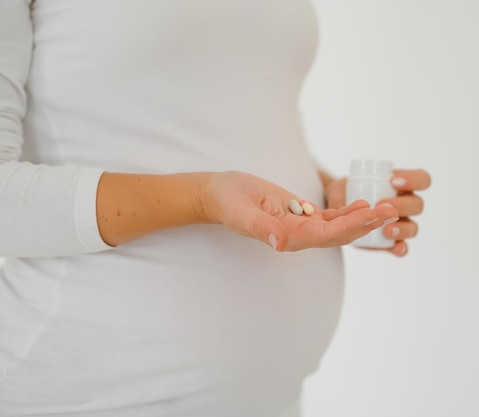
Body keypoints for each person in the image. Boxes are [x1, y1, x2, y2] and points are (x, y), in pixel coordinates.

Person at [0, 1, 430, 416]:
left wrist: (320, 195)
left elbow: (243, 118)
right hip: (93, 397)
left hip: (270, 398)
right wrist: (202, 197)